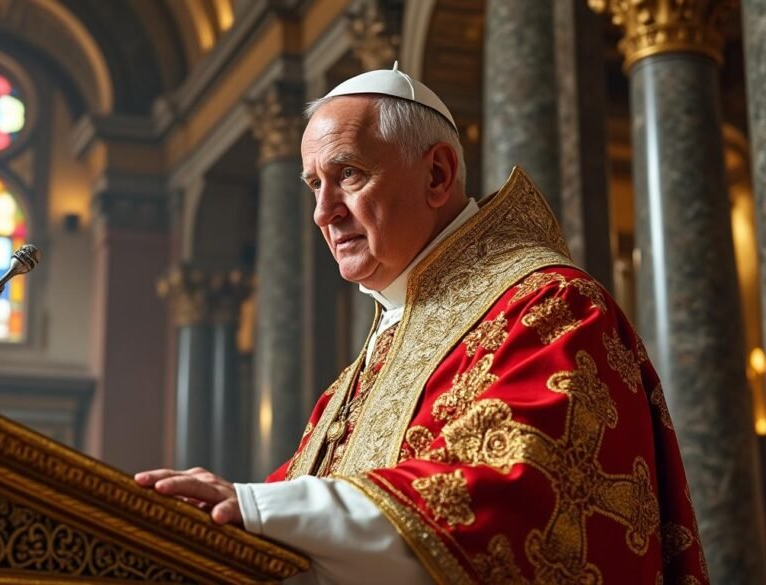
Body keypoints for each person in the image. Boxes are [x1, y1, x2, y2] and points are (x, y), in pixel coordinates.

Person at [136, 65, 707, 584]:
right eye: (314, 184)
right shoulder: (358, 375)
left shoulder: (550, 308)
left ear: (437, 174)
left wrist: (256, 508)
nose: (323, 211)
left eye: (348, 174)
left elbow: (514, 502)